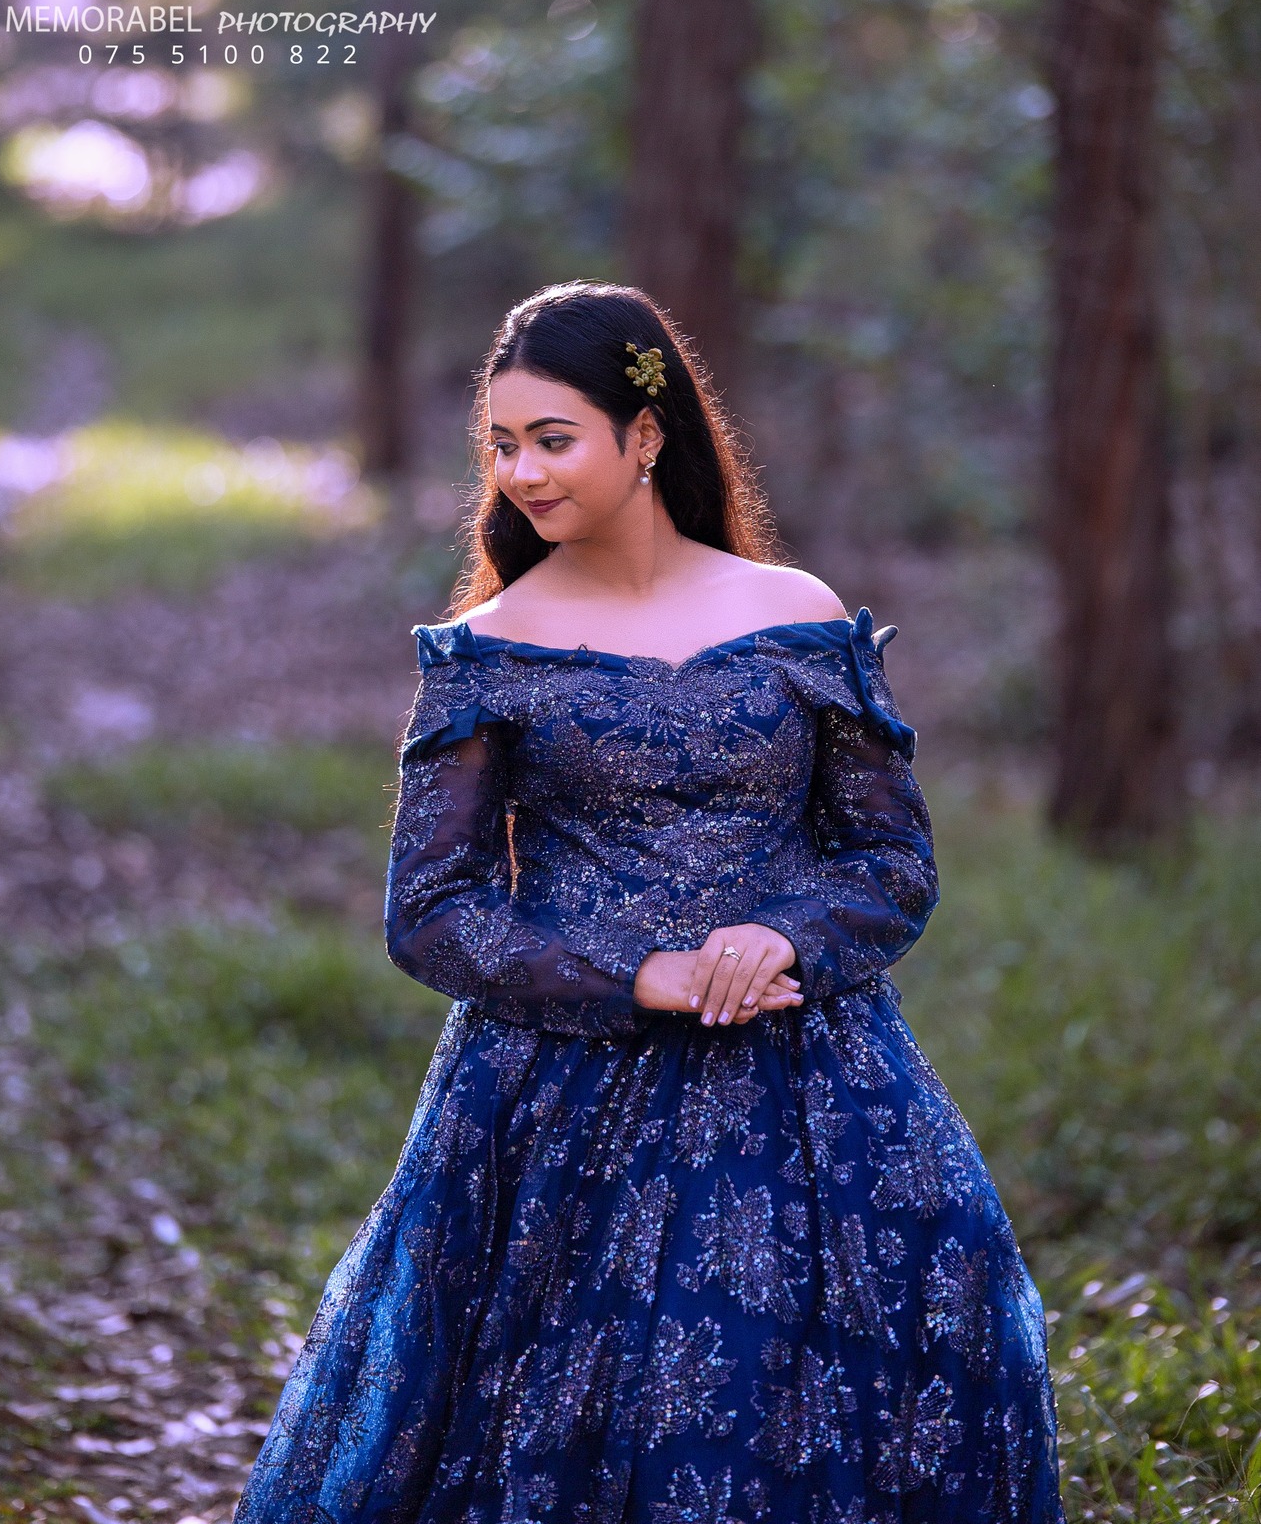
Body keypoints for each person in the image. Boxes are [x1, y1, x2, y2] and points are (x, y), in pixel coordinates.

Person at [234, 281, 1064, 1524]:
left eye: (551, 438)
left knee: (826, 1398)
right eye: (501, 445)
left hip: (815, 1078)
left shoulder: (797, 616)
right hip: (561, 1096)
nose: (521, 471)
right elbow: (432, 908)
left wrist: (781, 933)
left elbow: (892, 861)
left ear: (646, 435)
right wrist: (638, 973)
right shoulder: (490, 648)